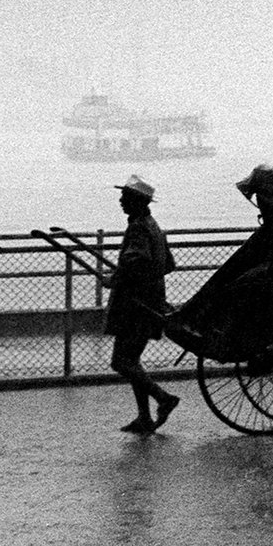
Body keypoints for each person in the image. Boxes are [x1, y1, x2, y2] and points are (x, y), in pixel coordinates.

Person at [104, 174, 180, 434]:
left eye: (125, 196)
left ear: (137, 201)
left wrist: (116, 279)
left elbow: (134, 261)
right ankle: (144, 417)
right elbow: (168, 264)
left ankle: (163, 398)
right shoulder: (153, 226)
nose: (121, 200)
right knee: (132, 360)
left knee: (121, 362)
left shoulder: (138, 227)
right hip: (151, 302)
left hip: (136, 306)